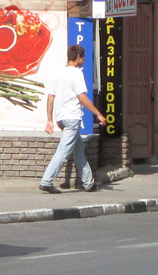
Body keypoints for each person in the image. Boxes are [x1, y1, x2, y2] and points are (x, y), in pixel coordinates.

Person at [39, 44, 107, 193]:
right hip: (72, 117)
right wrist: (98, 113)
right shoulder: (76, 74)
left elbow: (50, 98)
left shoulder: (58, 73)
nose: (84, 61)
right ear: (78, 57)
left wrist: (49, 120)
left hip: (60, 118)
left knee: (78, 149)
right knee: (63, 151)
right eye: (83, 58)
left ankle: (88, 183)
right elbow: (82, 97)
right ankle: (47, 181)